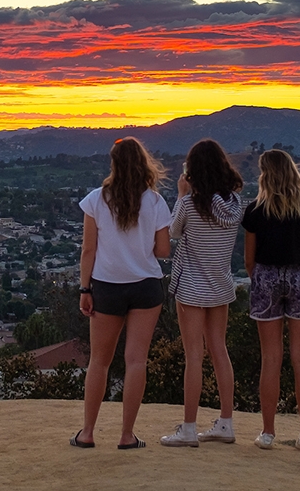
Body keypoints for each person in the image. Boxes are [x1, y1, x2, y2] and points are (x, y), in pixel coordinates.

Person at [72, 137, 171, 450]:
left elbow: (88, 249)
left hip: (106, 286)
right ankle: (127, 436)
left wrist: (84, 288)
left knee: (99, 362)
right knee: (136, 361)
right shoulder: (155, 202)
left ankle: (87, 433)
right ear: (144, 163)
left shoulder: (96, 200)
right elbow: (164, 250)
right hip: (145, 287)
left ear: (113, 164)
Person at [159, 139, 243, 447]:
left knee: (194, 355)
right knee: (219, 350)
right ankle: (226, 422)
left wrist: (181, 194)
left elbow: (173, 232)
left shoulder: (189, 204)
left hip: (192, 286)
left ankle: (190, 427)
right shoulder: (236, 205)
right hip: (220, 284)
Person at [241, 149, 300, 453]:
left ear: (265, 174)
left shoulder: (255, 211)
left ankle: (268, 432)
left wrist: (266, 278)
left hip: (266, 278)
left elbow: (249, 261)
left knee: (270, 358)